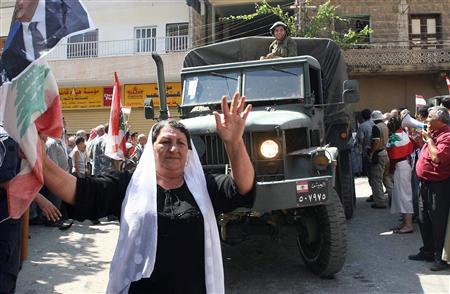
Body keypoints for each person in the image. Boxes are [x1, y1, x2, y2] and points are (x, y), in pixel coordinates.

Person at [41, 92, 254, 293]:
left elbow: (242, 187)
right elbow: (76, 190)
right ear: (151, 149)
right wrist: (37, 156)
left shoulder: (204, 187)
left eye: (181, 142)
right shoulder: (128, 186)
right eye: (166, 142)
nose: (174, 148)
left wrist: (233, 142)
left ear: (189, 153)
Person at [409, 106, 450, 271]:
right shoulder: (433, 133)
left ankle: (439, 257)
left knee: (437, 221)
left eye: (429, 117)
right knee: (423, 218)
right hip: (424, 183)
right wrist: (422, 140)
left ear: (440, 120)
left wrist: (430, 141)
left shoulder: (446, 136)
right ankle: (427, 250)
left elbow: (437, 158)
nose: (426, 119)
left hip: (438, 186)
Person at [386, 116, 414, 233]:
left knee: (404, 196)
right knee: (404, 194)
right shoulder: (404, 134)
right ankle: (405, 223)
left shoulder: (393, 138)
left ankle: (408, 225)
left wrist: (391, 172)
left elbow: (392, 159)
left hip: (400, 167)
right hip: (406, 165)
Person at [368, 110, 393, 209]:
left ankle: (380, 202)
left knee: (376, 179)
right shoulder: (385, 126)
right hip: (386, 153)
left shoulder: (376, 127)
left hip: (379, 154)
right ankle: (393, 198)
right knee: (386, 177)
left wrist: (372, 153)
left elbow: (376, 142)